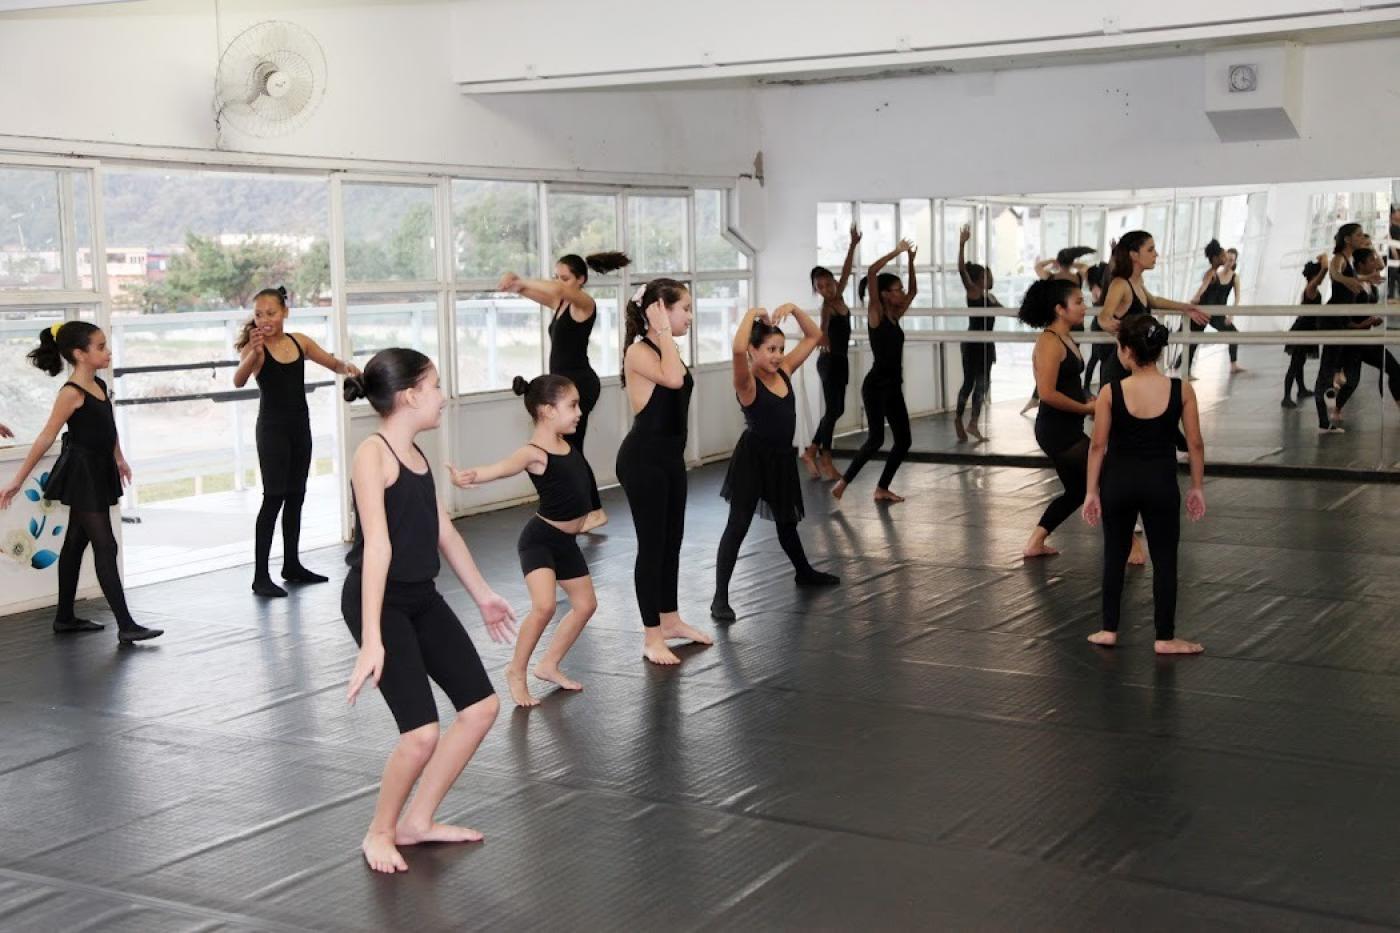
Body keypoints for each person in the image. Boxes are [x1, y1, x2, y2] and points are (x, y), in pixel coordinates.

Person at [341, 348, 517, 875]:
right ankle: (379, 832)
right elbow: (377, 547)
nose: (444, 396)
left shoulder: (416, 454)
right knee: (420, 734)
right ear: (410, 395)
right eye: (436, 385)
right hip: (380, 601)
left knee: (482, 707)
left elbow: (441, 528)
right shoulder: (372, 454)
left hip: (421, 597)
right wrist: (373, 637)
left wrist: (484, 593)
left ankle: (418, 821)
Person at [0, 322, 162, 643]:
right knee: (106, 544)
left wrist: (119, 458)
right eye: (100, 347)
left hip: (99, 467)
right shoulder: (71, 394)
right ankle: (126, 625)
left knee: (75, 543)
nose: (107, 352)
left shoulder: (99, 385)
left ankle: (64, 618)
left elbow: (107, 425)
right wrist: (18, 480)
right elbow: (47, 436)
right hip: (83, 472)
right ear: (80, 354)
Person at [448, 374, 597, 707]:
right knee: (543, 606)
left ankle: (548, 664)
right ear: (546, 410)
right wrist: (473, 476)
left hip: (565, 543)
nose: (579, 412)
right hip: (540, 540)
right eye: (572, 405)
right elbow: (503, 467)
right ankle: (516, 671)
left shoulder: (565, 444)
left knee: (586, 605)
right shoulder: (535, 452)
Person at [1082, 314, 1206, 655]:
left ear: (1124, 352)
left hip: (1118, 482)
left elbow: (1097, 445)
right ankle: (1165, 637)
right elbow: (1194, 444)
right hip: (1160, 483)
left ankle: (1108, 629)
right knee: (1165, 559)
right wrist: (1197, 486)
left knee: (1114, 555)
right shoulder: (1182, 389)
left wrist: (1091, 492)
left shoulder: (1110, 391)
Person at [711, 306, 839, 622]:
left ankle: (803, 572)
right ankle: (719, 599)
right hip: (753, 460)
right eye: (770, 349)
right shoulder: (747, 382)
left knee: (786, 522)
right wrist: (752, 313)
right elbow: (737, 347)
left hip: (781, 458)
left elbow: (814, 336)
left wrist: (794, 309)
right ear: (753, 352)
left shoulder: (784, 371)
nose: (779, 355)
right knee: (737, 526)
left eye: (780, 349)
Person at [233, 286, 359, 598]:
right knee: (273, 497)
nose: (265, 319)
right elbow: (238, 380)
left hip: (300, 428)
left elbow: (331, 363)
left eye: (271, 313)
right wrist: (254, 353)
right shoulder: (256, 349)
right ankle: (260, 576)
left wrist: (348, 367)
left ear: (285, 313)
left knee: (297, 496)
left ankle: (292, 565)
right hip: (272, 431)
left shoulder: (299, 341)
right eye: (259, 314)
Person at [497, 250, 632, 533]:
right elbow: (530, 290)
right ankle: (585, 510)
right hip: (563, 386)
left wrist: (523, 279)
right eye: (557, 276)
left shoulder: (584, 304)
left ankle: (594, 511)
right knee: (570, 449)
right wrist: (515, 283)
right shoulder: (560, 304)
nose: (559, 282)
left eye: (566, 277)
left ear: (581, 280)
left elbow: (556, 289)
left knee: (573, 450)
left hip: (580, 384)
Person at [616, 279, 713, 665]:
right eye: (684, 308)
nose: (689, 316)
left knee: (672, 542)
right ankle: (651, 635)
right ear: (660, 308)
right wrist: (657, 329)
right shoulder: (640, 350)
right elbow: (672, 380)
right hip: (643, 460)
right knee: (652, 546)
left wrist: (664, 333)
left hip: (670, 459)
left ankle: (670, 620)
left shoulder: (667, 348)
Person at [833, 239, 917, 504]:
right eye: (896, 289)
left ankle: (882, 488)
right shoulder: (876, 314)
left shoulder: (895, 314)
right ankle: (843, 483)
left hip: (893, 386)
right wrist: (897, 251)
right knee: (876, 439)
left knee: (903, 440)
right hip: (876, 386)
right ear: (883, 294)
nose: (901, 293)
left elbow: (914, 291)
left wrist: (912, 262)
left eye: (900, 289)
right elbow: (871, 272)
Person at [1018, 279, 1095, 559]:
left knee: (1076, 492)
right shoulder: (1049, 342)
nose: (1085, 307)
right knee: (1107, 478)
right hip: (1057, 430)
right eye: (1078, 302)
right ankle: (1129, 546)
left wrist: (1089, 400)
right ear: (1060, 309)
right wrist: (1086, 409)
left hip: (1066, 426)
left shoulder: (1065, 337)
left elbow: (1068, 383)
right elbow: (1048, 394)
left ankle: (1035, 543)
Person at [803, 223, 860, 481]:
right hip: (829, 363)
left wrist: (853, 244)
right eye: (820, 288)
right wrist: (821, 336)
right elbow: (821, 330)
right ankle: (825, 457)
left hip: (840, 361)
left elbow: (847, 270)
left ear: (834, 282)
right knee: (833, 410)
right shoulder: (827, 307)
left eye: (828, 284)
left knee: (835, 411)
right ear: (817, 291)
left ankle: (812, 450)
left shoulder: (840, 297)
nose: (826, 290)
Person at [1315, 226, 1385, 432]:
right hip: (1333, 320)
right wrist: (1352, 280)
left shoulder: (1350, 260)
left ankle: (1326, 418)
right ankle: (1323, 422)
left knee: (1331, 371)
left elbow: (1373, 268)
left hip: (1342, 319)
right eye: (1358, 235)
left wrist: (1363, 279)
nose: (1362, 238)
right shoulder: (1339, 258)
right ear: (1347, 239)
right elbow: (1335, 275)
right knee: (1326, 371)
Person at [955, 224, 998, 443]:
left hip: (986, 345)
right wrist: (962, 244)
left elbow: (1010, 313)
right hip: (973, 344)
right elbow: (962, 270)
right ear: (979, 278)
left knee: (984, 385)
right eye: (986, 275)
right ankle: (958, 419)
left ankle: (973, 423)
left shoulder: (990, 297)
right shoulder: (973, 292)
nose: (990, 278)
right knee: (970, 383)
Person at [1183, 241, 1245, 375]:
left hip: (1217, 313)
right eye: (1225, 257)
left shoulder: (1233, 277)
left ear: (1234, 262)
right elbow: (1203, 288)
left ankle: (1233, 365)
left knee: (1233, 334)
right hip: (1204, 311)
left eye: (1230, 259)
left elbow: (1237, 297)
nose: (1227, 260)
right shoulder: (1213, 273)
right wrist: (1195, 299)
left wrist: (1231, 315)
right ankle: (1182, 368)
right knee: (1192, 338)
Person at [1282, 255, 1327, 409]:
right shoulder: (1311, 288)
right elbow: (1325, 269)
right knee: (1295, 364)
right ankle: (1286, 397)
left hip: (1305, 329)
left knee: (1299, 362)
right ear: (1314, 276)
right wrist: (1324, 259)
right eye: (1318, 275)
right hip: (1302, 331)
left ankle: (1301, 389)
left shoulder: (1309, 288)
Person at [1083, 261, 1114, 393]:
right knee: (1098, 358)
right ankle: (1090, 388)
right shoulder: (1097, 289)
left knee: (1100, 359)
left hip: (1100, 324)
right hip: (1099, 326)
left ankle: (1098, 388)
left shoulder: (1098, 288)